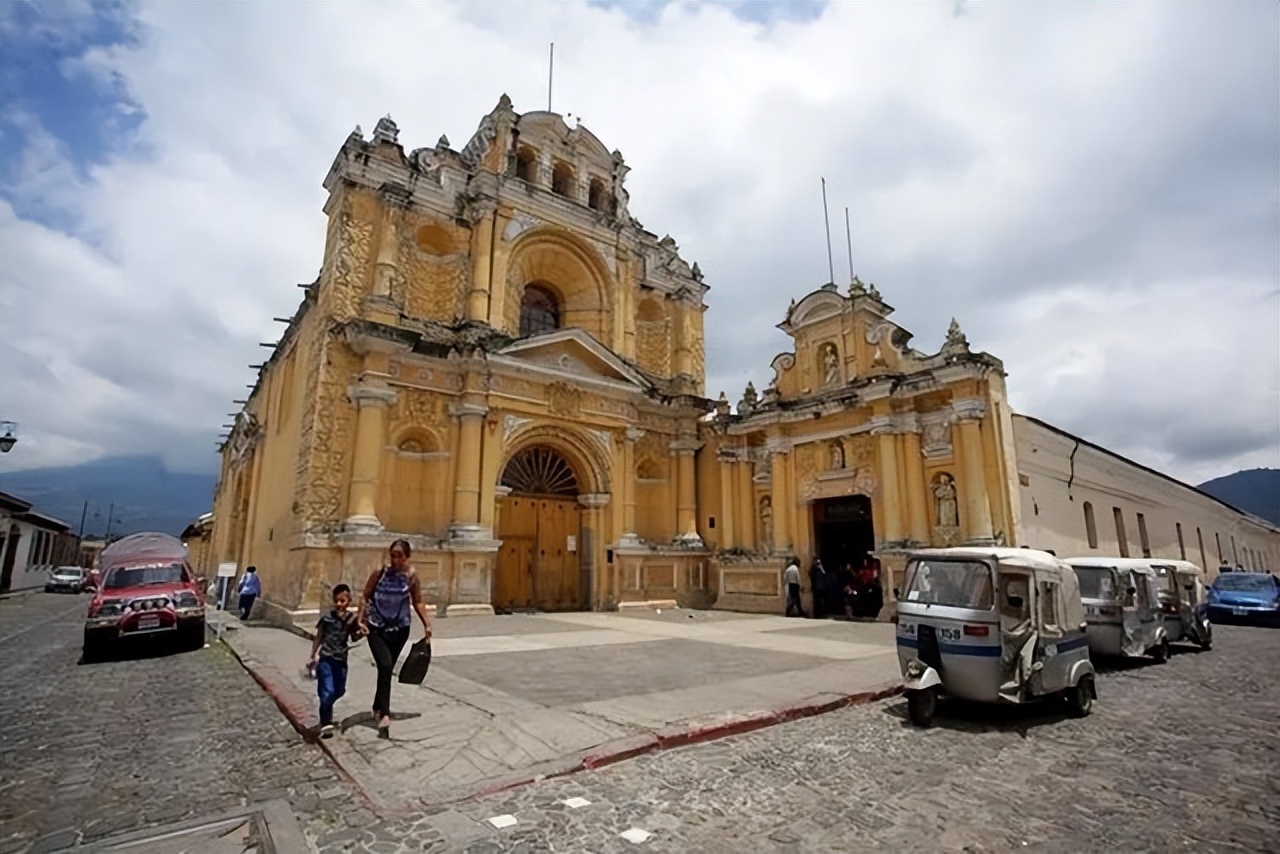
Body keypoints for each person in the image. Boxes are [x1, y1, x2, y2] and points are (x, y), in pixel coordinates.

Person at [358, 539, 434, 739]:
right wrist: (360, 620)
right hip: (376, 627)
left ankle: (377, 704)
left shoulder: (411, 576)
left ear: (407, 557)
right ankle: (384, 714)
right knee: (384, 665)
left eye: (400, 556)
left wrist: (427, 624)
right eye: (393, 555)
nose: (395, 559)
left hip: (400, 629)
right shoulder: (380, 572)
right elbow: (365, 595)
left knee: (387, 668)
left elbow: (417, 601)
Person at [309, 584, 362, 739]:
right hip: (326, 658)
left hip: (341, 659)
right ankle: (325, 723)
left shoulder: (352, 620)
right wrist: (312, 655)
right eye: (337, 600)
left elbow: (354, 636)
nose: (339, 604)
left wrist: (363, 632)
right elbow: (318, 637)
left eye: (343, 600)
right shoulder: (327, 619)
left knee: (339, 691)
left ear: (348, 601)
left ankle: (327, 707)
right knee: (327, 691)